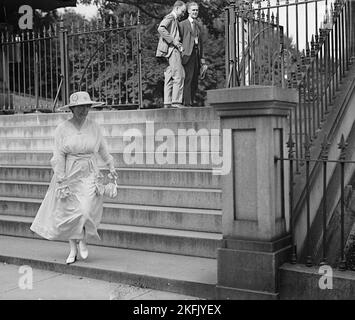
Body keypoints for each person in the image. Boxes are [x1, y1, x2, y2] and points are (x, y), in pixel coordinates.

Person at [30, 91, 117, 264]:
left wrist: (111, 166)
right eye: (80, 107)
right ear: (72, 108)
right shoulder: (62, 129)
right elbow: (58, 155)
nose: (84, 110)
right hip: (69, 173)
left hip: (90, 173)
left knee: (85, 210)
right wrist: (61, 179)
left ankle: (83, 240)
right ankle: (72, 248)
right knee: (69, 212)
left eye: (86, 106)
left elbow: (103, 149)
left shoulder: (94, 127)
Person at [156, 1, 186, 108]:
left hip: (168, 51)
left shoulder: (174, 19)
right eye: (182, 11)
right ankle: (176, 102)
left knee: (169, 76)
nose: (183, 14)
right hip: (172, 50)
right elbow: (161, 28)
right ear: (176, 8)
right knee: (179, 75)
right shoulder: (170, 17)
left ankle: (167, 102)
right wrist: (173, 41)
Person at [179, 2, 206, 107]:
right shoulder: (182, 24)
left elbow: (201, 44)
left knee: (195, 79)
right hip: (187, 55)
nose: (195, 12)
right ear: (188, 11)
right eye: (193, 10)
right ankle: (187, 102)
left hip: (196, 55)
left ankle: (191, 101)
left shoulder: (198, 25)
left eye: (196, 10)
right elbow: (178, 39)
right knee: (188, 78)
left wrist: (202, 60)